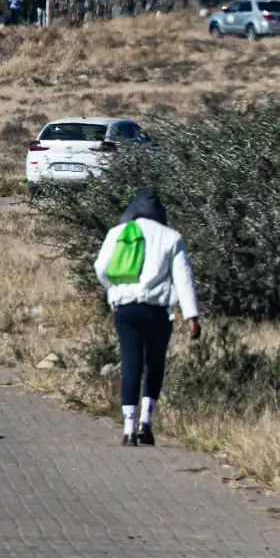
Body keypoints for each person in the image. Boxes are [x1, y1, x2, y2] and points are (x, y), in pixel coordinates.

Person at [93, 186, 200, 446]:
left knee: (130, 364)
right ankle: (146, 424)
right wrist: (191, 315)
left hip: (126, 308)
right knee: (154, 364)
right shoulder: (172, 237)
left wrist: (114, 292)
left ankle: (128, 429)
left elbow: (101, 268)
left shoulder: (118, 233)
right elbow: (183, 279)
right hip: (156, 311)